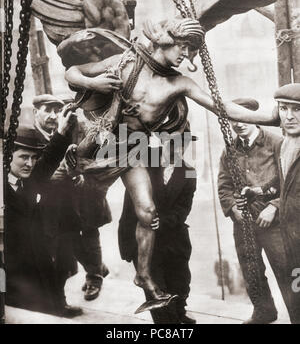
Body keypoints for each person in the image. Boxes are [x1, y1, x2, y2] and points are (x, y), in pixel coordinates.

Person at [64, 17, 281, 309]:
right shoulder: (125, 63)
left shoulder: (179, 83)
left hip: (132, 148)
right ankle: (91, 268)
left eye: (191, 50)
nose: (186, 55)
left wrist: (271, 117)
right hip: (96, 144)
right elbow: (72, 72)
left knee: (147, 210)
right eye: (183, 47)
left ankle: (144, 277)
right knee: (77, 211)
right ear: (165, 41)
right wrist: (93, 82)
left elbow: (222, 107)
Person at [217, 98, 294, 324]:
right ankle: (264, 312)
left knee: (287, 270)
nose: (238, 124)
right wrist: (233, 209)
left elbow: (291, 184)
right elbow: (224, 186)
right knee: (251, 270)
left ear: (253, 117)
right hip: (243, 223)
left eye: (242, 118)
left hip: (275, 224)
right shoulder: (229, 150)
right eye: (232, 119)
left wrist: (274, 207)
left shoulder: (277, 143)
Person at [33, 94, 110, 302]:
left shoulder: (79, 128)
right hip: (55, 201)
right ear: (35, 112)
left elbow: (100, 160)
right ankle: (97, 267)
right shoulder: (30, 135)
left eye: (57, 110)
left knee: (89, 234)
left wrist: (79, 174)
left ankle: (95, 277)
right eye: (47, 110)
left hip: (84, 194)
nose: (53, 115)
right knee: (70, 241)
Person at [5, 109, 82, 316]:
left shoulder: (27, 182)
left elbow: (48, 160)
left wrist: (63, 130)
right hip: (10, 278)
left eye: (33, 157)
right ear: (5, 156)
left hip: (37, 268)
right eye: (23, 157)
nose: (30, 163)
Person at [236, 83, 300, 324]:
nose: (289, 116)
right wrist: (259, 190)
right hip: (292, 234)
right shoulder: (288, 144)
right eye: (284, 108)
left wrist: (274, 205)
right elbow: (284, 181)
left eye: (297, 109)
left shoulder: (278, 142)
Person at [119, 134, 197, 323]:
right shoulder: (143, 163)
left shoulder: (188, 171)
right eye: (172, 143)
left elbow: (183, 209)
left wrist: (163, 222)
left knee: (180, 283)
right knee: (156, 291)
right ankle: (167, 324)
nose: (177, 148)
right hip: (145, 244)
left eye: (182, 144)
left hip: (175, 239)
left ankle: (179, 314)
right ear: (162, 142)